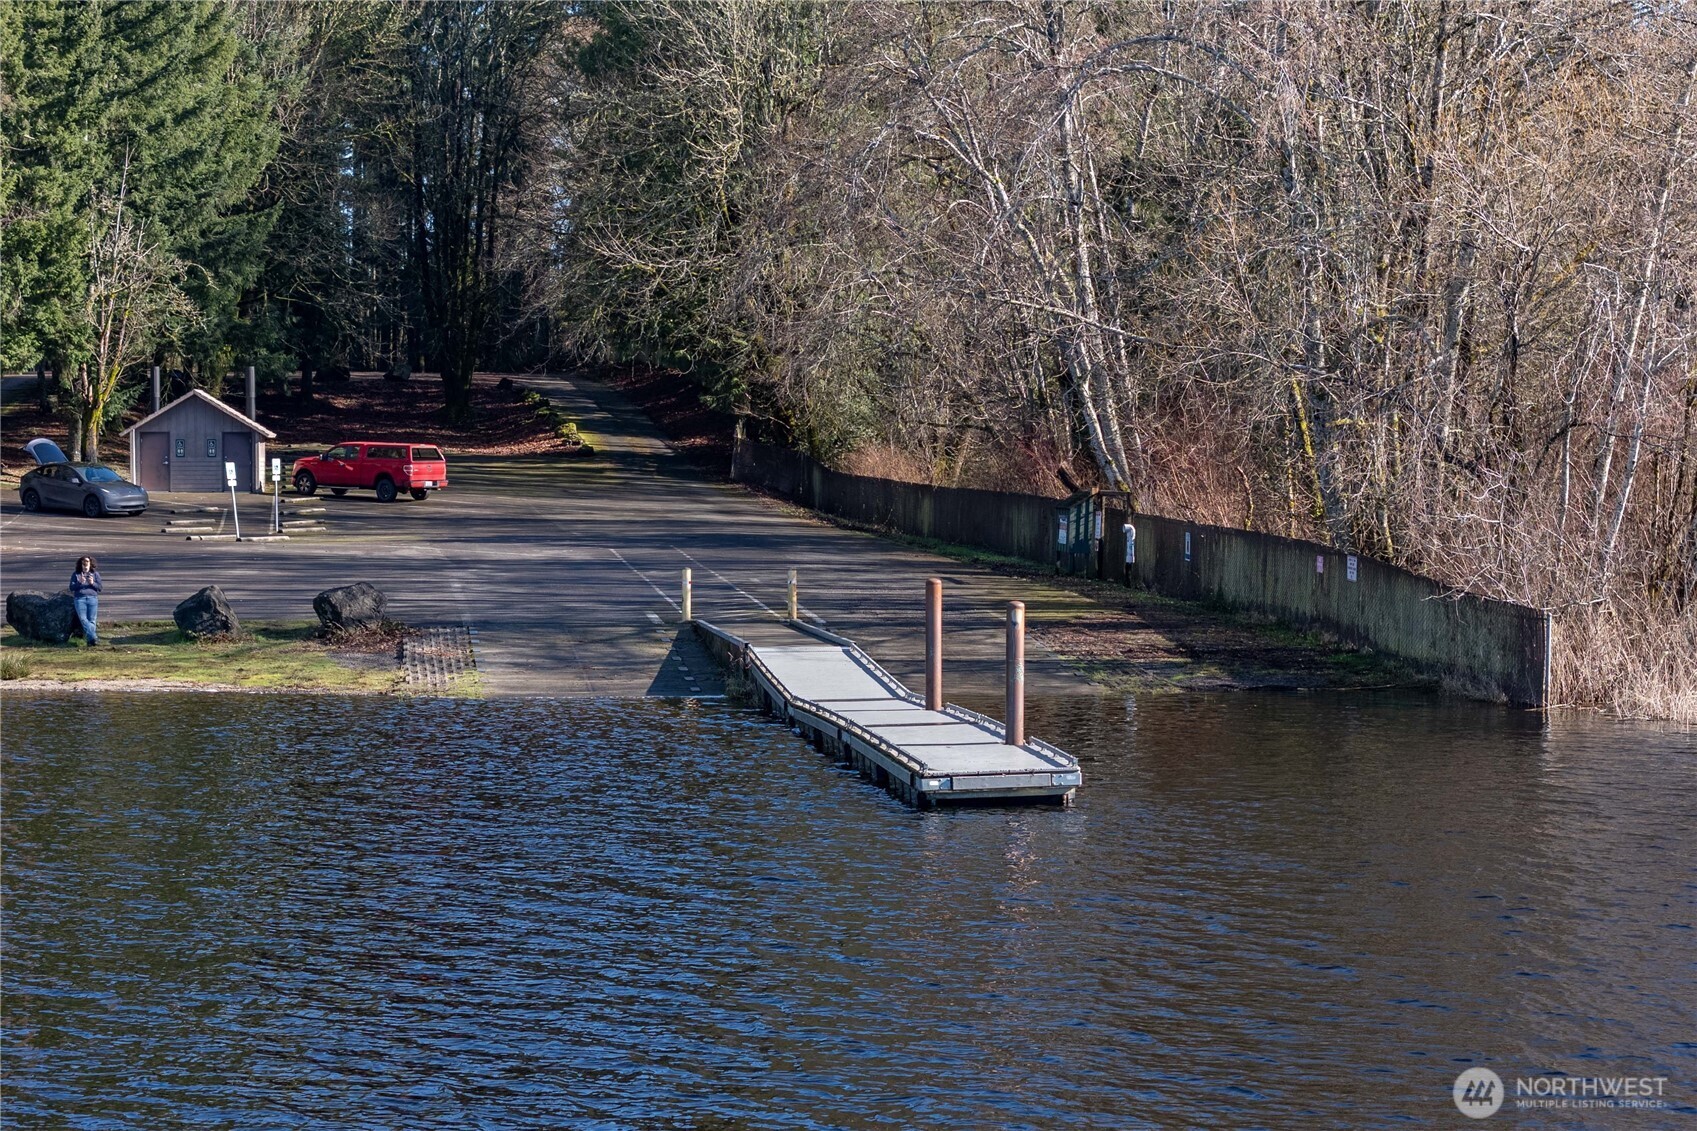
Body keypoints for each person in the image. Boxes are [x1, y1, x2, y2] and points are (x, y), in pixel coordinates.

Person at [70, 556, 102, 646]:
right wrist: (79, 582)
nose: (85, 565)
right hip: (80, 599)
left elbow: (100, 588)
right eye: (83, 563)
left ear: (90, 564)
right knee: (83, 619)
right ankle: (94, 638)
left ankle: (90, 641)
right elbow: (71, 588)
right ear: (81, 564)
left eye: (87, 563)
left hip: (92, 598)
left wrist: (93, 583)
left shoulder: (95, 574)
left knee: (92, 620)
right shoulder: (76, 574)